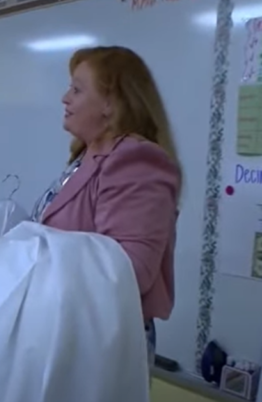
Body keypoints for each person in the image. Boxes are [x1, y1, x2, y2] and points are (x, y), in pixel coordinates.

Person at [31, 46, 181, 370]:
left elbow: (128, 270)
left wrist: (30, 259)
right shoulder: (87, 156)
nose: (64, 98)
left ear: (112, 104)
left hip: (100, 342)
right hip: (68, 328)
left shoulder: (135, 159)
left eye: (77, 89)